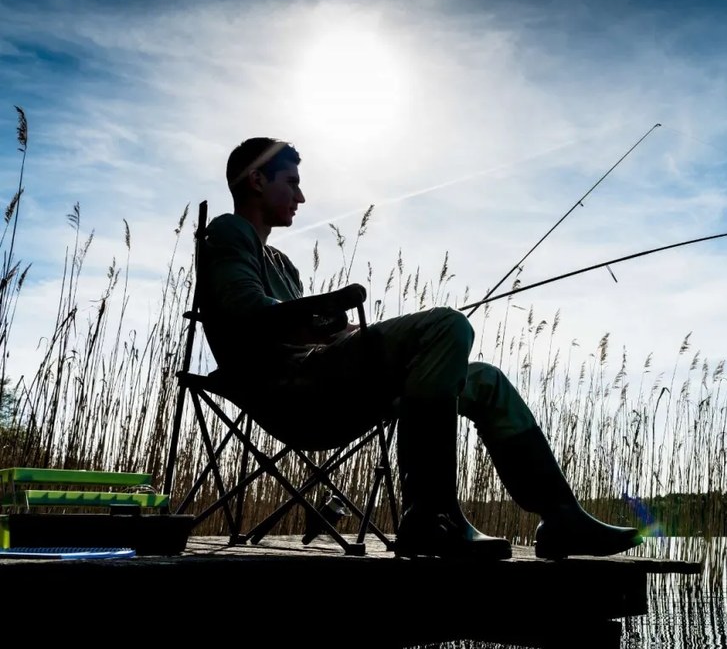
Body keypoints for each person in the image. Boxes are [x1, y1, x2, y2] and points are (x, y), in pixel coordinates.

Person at [197, 136, 643, 560]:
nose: (301, 196)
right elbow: (245, 313)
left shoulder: (282, 264)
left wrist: (338, 328)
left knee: (485, 381)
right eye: (291, 181)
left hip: (325, 379)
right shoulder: (229, 231)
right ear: (257, 180)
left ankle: (562, 517)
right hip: (289, 390)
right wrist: (326, 305)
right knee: (447, 325)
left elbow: (300, 328)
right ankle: (430, 517)